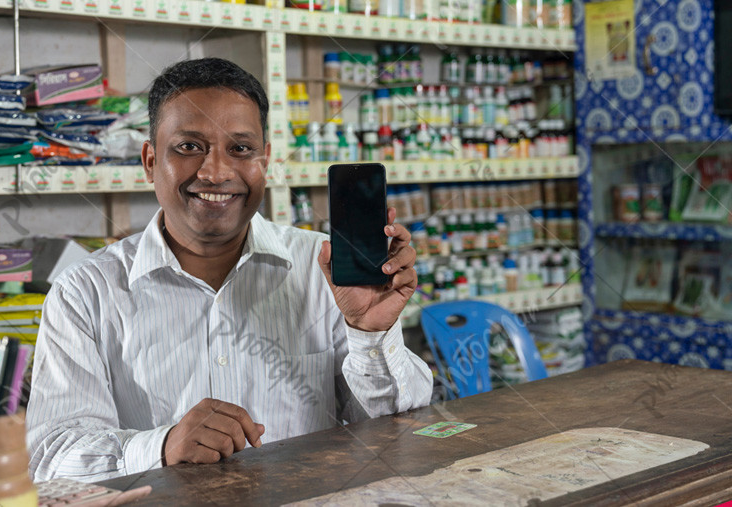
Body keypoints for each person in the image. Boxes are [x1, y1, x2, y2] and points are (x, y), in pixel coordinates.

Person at [27, 58, 433, 482]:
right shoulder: (85, 292)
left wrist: (370, 335)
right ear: (149, 161)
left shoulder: (323, 268)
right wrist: (162, 446)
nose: (215, 172)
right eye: (188, 147)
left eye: (240, 149)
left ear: (265, 161)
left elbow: (399, 430)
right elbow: (51, 456)